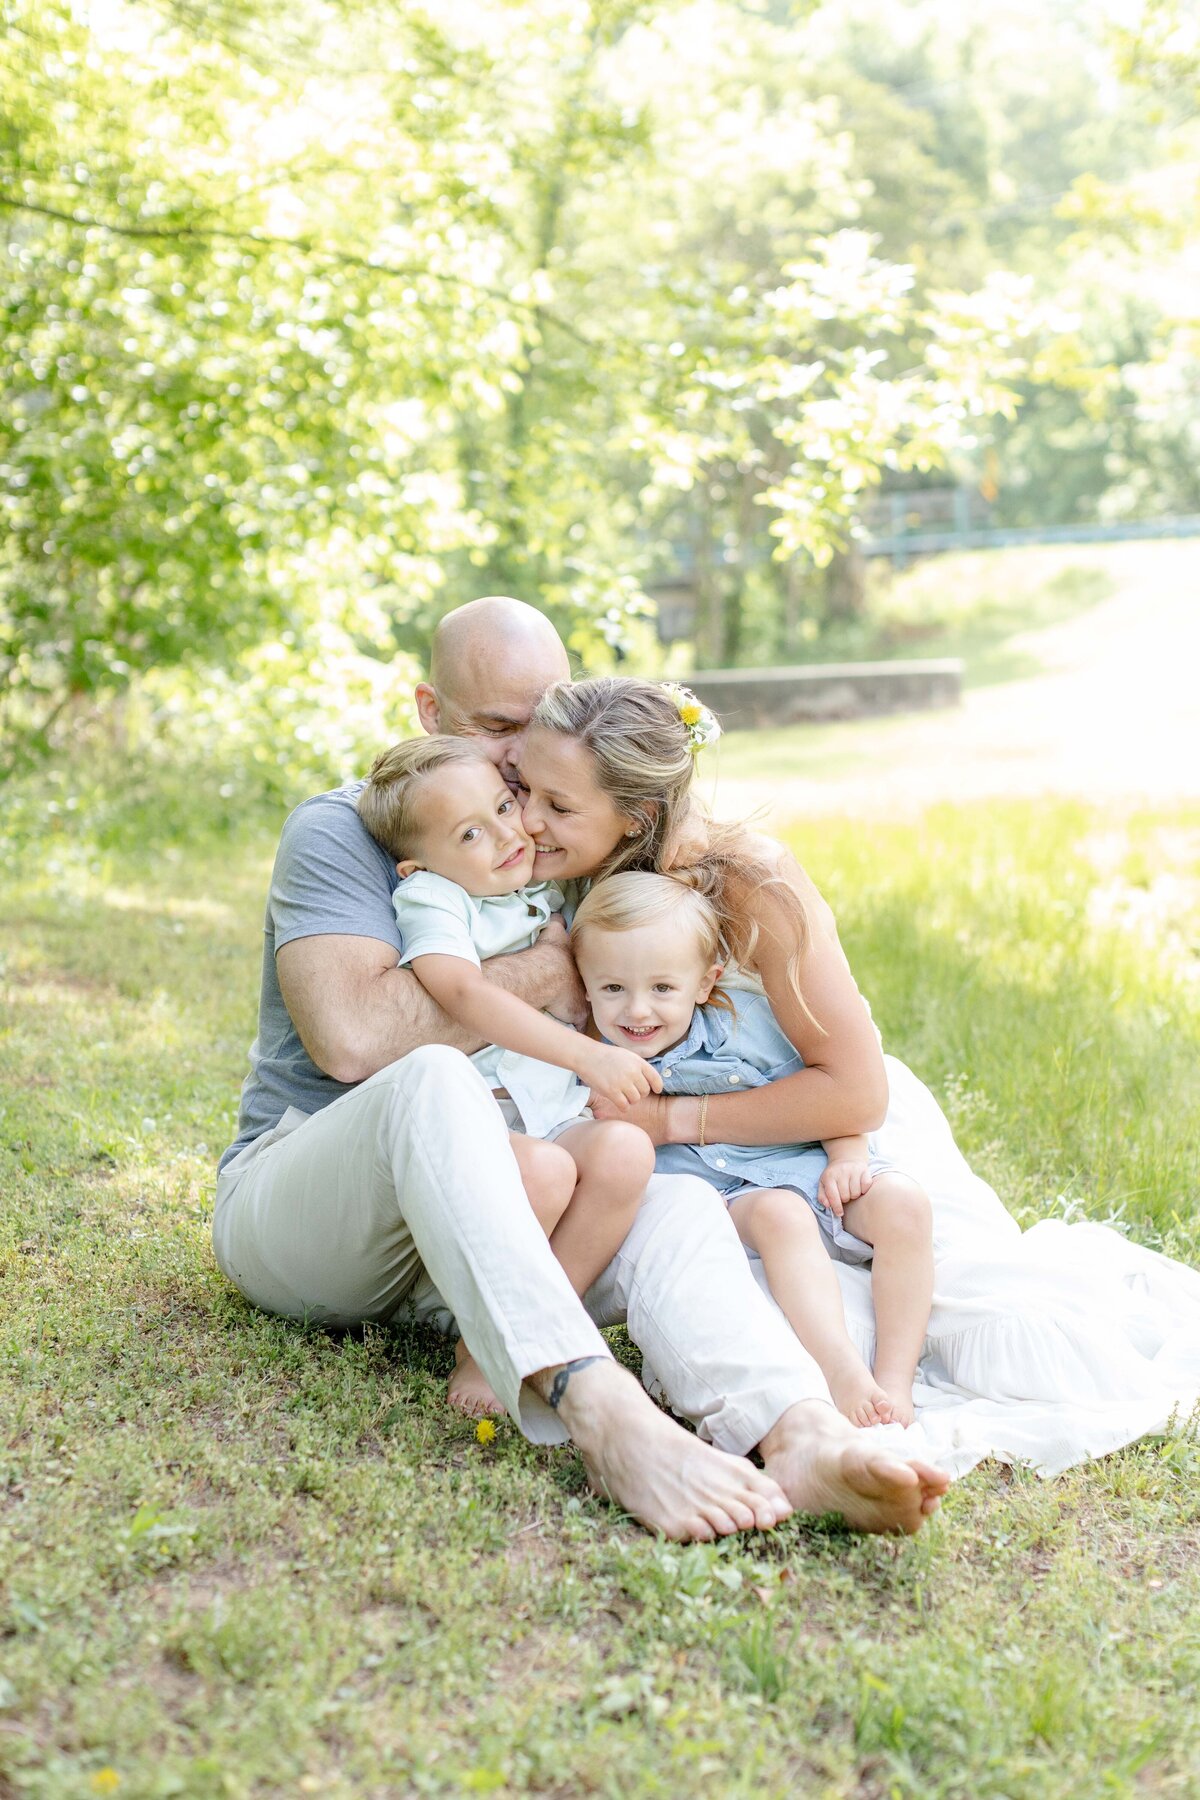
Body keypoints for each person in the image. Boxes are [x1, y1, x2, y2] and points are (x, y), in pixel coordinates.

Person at [212, 595, 950, 1541]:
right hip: (327, 1221)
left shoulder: (563, 836)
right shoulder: (355, 828)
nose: (521, 769)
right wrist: (551, 972)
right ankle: (599, 1409)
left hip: (526, 1221)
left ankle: (798, 1435)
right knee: (436, 1081)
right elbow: (353, 1039)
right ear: (430, 716)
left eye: (542, 728)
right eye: (498, 732)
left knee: (671, 1197)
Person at [518, 673, 1200, 1477]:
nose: (528, 818)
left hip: (815, 1126)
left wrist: (671, 1122)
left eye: (557, 806)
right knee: (752, 1282)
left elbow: (855, 1092)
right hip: (695, 1170)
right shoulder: (549, 862)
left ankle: (884, 1387)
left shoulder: (751, 882)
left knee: (974, 1311)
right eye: (526, 789)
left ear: (636, 816)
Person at [354, 732, 660, 1418]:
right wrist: (587, 1055)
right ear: (416, 866)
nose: (505, 834)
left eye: (503, 806)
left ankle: (553, 1322)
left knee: (623, 1152)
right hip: (485, 1117)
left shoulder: (532, 892)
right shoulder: (435, 899)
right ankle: (481, 1348)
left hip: (551, 1111)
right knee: (546, 1173)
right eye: (469, 833)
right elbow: (460, 993)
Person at [569, 869, 934, 1427]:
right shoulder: (589, 1063)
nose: (637, 1011)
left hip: (800, 1164)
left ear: (706, 982)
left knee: (905, 1204)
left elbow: (833, 1095)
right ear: (586, 984)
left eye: (663, 988)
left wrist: (847, 1155)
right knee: (781, 1214)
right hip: (726, 1200)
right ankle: (841, 1371)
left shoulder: (746, 1028)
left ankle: (895, 1379)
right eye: (613, 988)